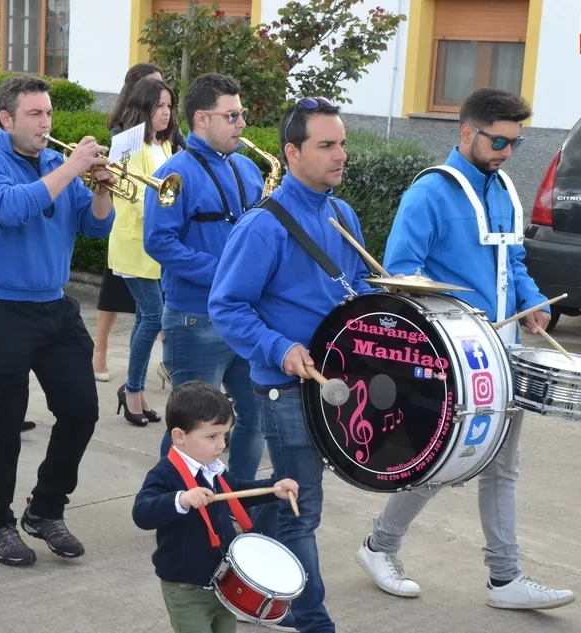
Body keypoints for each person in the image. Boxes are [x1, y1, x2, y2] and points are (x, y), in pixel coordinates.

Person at [355, 87, 575, 610]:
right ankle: (379, 546)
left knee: (500, 466)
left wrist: (532, 300)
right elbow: (401, 275)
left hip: (506, 352)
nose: (507, 152)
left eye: (515, 143)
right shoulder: (429, 193)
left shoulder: (505, 190)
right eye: (499, 141)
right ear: (467, 132)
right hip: (455, 357)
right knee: (442, 460)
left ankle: (504, 579)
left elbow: (513, 262)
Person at [209, 96, 376, 632]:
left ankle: (234, 538)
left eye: (342, 143)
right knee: (304, 510)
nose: (340, 155)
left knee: (291, 494)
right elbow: (226, 306)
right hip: (285, 387)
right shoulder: (263, 226)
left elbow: (357, 288)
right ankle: (311, 619)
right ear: (292, 152)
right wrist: (279, 348)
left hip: (333, 382)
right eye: (326, 145)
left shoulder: (341, 214)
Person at [0, 73, 114, 566]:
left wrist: (102, 190)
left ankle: (45, 509)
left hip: (54, 305)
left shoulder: (55, 163)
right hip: (0, 308)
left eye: (48, 113)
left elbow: (95, 227)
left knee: (81, 411)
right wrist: (72, 168)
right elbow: (10, 210)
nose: (45, 122)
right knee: (4, 422)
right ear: (6, 120)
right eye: (35, 114)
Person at [143, 72, 265, 483]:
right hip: (195, 318)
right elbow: (159, 242)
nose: (241, 123)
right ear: (201, 119)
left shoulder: (248, 169)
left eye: (242, 114)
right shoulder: (174, 174)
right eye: (232, 116)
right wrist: (227, 273)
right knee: (191, 426)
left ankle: (237, 498)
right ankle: (171, 499)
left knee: (256, 415)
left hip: (245, 317)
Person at [132, 381, 299, 633]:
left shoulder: (212, 469)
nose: (221, 444)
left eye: (224, 435)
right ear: (179, 436)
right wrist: (181, 500)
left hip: (224, 582)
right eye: (212, 436)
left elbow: (237, 492)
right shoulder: (165, 473)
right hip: (186, 588)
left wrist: (273, 488)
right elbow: (142, 513)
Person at [108, 76, 178, 427]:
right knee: (154, 318)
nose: (166, 113)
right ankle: (133, 389)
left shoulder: (164, 145)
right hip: (134, 244)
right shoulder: (128, 144)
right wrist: (163, 221)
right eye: (159, 106)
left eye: (169, 106)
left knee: (144, 319)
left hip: (155, 248)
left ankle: (134, 389)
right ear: (143, 107)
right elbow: (132, 196)